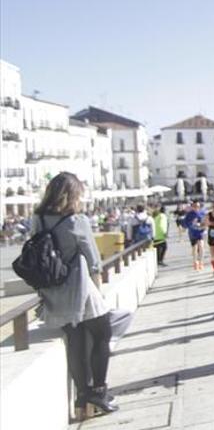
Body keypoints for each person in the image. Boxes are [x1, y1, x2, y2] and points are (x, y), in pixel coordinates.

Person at [32, 172, 118, 418]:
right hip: (78, 288)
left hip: (52, 291)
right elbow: (92, 259)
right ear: (72, 195)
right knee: (104, 332)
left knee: (75, 342)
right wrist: (98, 289)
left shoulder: (38, 218)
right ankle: (99, 391)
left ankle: (82, 397)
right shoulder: (75, 220)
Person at [182, 201, 206, 271]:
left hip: (200, 232)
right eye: (195, 206)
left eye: (198, 206)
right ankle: (195, 262)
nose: (196, 208)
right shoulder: (189, 214)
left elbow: (206, 222)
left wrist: (202, 225)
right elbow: (185, 224)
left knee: (201, 247)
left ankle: (201, 262)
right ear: (192, 207)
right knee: (195, 248)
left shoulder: (202, 213)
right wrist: (190, 224)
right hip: (192, 233)